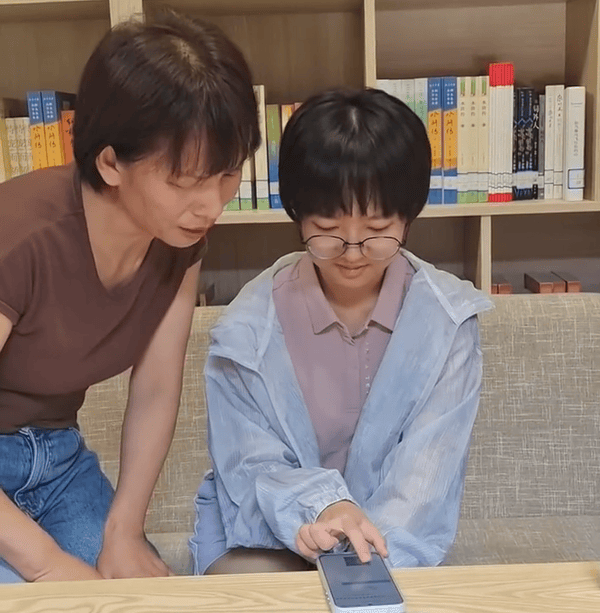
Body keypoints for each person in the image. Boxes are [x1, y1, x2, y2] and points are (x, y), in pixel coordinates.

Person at [0, 11, 259, 583]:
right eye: (185, 182)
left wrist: (125, 529)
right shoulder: (18, 239)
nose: (212, 206)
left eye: (227, 175)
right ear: (111, 162)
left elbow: (156, 387)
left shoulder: (179, 240)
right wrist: (46, 565)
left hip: (58, 463)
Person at [190, 88, 494, 575]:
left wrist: (361, 555)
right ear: (296, 213)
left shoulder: (448, 321)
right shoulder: (246, 328)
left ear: (409, 216)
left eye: (377, 229)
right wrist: (323, 508)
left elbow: (426, 479)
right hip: (268, 535)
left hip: (393, 540)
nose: (353, 252)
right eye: (328, 229)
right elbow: (250, 464)